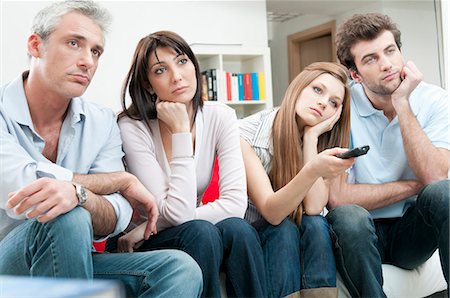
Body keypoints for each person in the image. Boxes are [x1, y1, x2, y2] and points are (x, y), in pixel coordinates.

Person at [0, 1, 203, 297]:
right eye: (74, 43)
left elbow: (116, 214)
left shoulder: (102, 121)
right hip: (8, 263)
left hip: (71, 260)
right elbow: (22, 185)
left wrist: (80, 193)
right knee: (65, 215)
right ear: (36, 45)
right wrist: (118, 181)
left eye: (95, 51)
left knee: (179, 268)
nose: (88, 61)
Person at [113, 30, 267, 297]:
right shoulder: (132, 126)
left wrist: (151, 226)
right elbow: (177, 214)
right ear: (148, 84)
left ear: (194, 66)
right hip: (139, 243)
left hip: (161, 229)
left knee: (238, 229)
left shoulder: (221, 116)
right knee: (200, 231)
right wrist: (182, 131)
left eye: (182, 61)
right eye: (161, 70)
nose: (177, 76)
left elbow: (234, 205)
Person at [326, 13, 449, 297]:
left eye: (391, 51)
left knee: (445, 193)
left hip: (411, 232)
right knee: (348, 216)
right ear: (355, 74)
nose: (387, 64)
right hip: (358, 231)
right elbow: (339, 197)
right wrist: (416, 185)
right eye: (370, 59)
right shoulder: (340, 107)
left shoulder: (435, 100)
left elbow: (435, 177)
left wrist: (402, 102)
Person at [239, 61, 356, 297]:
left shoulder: (320, 139)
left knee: (316, 224)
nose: (323, 102)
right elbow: (272, 213)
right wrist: (313, 168)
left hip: (289, 230)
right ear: (299, 86)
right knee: (283, 228)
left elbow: (313, 208)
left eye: (334, 102)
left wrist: (311, 138)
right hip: (249, 234)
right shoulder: (247, 134)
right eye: (317, 90)